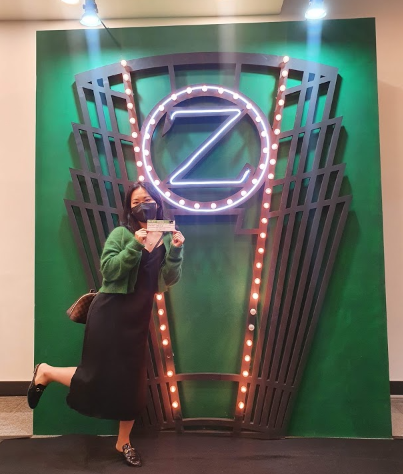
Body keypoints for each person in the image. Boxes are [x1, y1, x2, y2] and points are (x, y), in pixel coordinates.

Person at [27, 181, 185, 467]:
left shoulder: (162, 237)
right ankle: (45, 372)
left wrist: (175, 251)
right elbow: (109, 271)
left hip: (137, 319)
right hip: (110, 314)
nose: (142, 206)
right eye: (136, 202)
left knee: (133, 385)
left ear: (157, 203)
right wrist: (135, 245)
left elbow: (164, 282)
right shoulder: (121, 234)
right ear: (129, 209)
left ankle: (123, 441)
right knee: (96, 376)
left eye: (147, 200)